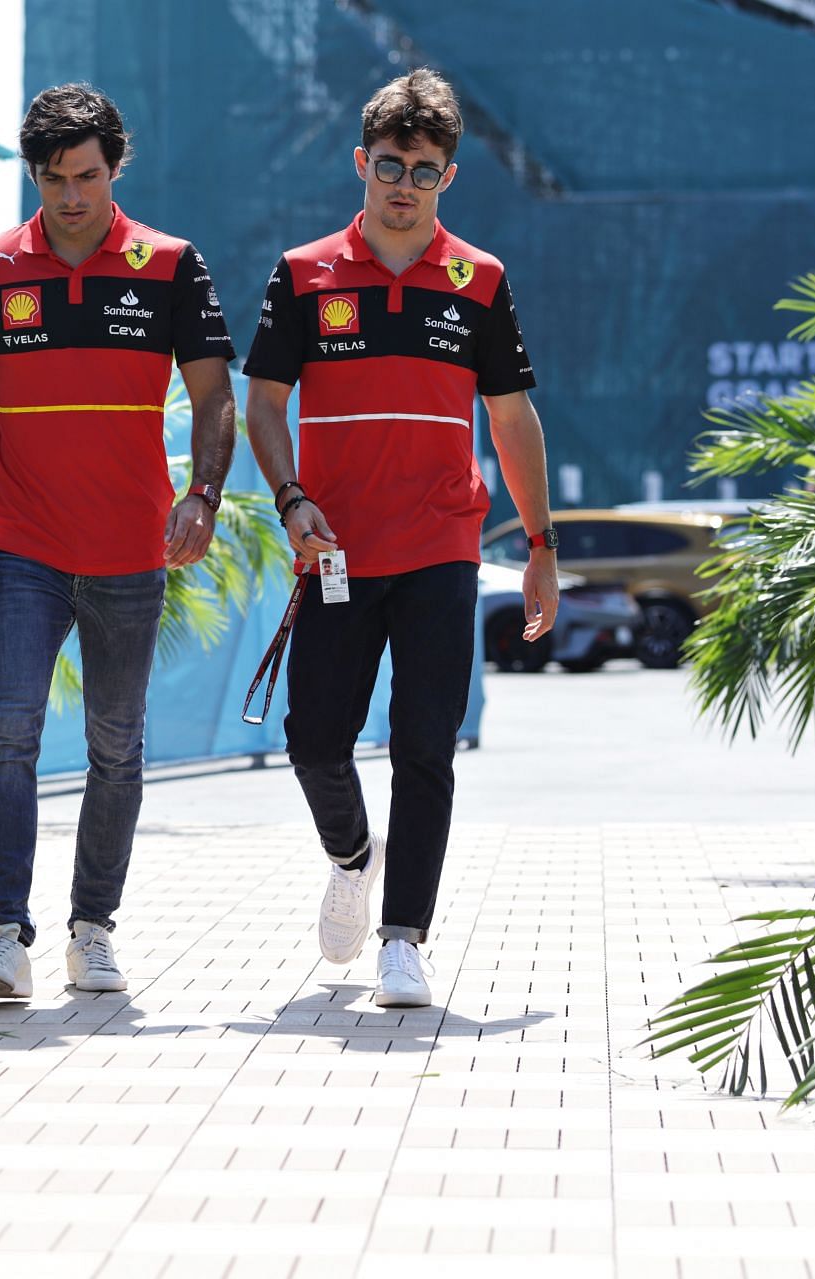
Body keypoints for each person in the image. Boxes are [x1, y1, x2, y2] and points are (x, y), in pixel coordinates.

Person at [242, 68, 558, 1008]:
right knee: (313, 741)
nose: (404, 184)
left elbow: (513, 420)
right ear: (361, 163)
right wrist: (292, 498)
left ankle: (404, 939)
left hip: (439, 551)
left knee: (426, 745)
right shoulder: (303, 275)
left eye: (424, 169)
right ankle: (352, 856)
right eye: (389, 164)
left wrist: (540, 546)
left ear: (448, 177)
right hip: (334, 552)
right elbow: (265, 403)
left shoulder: (480, 280)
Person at [0, 83, 237, 998]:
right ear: (34, 173)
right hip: (22, 548)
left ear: (115, 169)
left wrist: (204, 494)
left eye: (89, 177)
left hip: (131, 552)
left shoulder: (170, 263)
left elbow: (215, 394)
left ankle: (93, 929)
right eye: (56, 178)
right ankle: (3, 934)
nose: (72, 196)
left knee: (115, 747)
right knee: (11, 734)